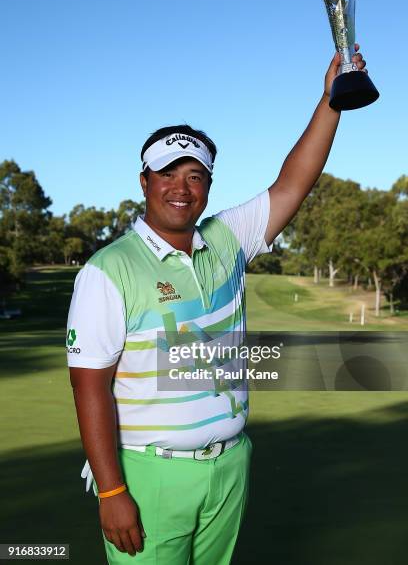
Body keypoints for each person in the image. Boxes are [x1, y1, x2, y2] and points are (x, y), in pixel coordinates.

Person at [67, 45, 367, 564]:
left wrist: (331, 100)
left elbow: (295, 182)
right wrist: (113, 493)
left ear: (208, 185)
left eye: (195, 176)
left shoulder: (227, 238)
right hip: (150, 473)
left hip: (230, 467)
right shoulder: (107, 270)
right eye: (167, 174)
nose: (180, 189)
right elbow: (88, 384)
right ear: (144, 182)